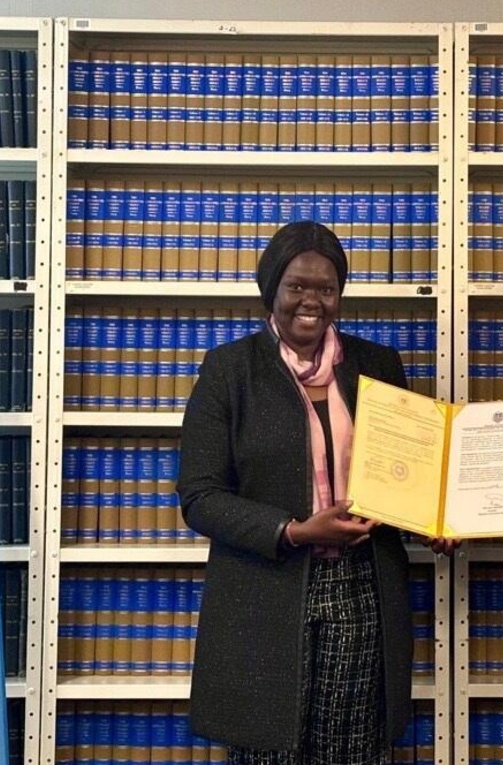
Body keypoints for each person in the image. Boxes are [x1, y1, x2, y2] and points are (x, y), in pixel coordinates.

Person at [176, 220, 415, 764]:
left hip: (362, 591)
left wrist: (436, 521)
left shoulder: (377, 367)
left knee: (352, 753)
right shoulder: (229, 370)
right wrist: (292, 530)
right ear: (272, 291)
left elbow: (407, 474)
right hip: (265, 590)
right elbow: (200, 495)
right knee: (267, 754)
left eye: (326, 289)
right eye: (297, 287)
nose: (312, 301)